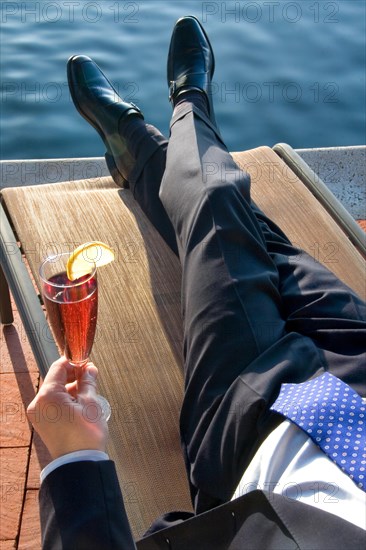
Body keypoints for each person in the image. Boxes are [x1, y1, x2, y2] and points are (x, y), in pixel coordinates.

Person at [27, 15, 366, 549]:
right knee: (259, 238)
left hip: (260, 424)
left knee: (216, 204)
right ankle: (140, 150)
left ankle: (181, 106)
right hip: (359, 375)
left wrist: (75, 460)